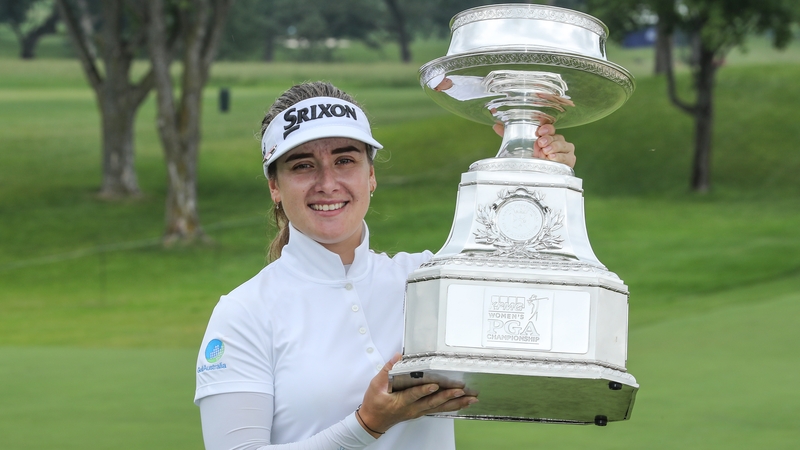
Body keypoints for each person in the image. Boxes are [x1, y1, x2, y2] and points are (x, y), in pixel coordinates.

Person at [194, 81, 576, 449]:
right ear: (275, 187)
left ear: (371, 175)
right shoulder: (245, 312)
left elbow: (536, 293)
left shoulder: (429, 280)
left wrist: (539, 179)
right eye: (302, 165)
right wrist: (367, 424)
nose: (327, 183)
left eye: (345, 160)